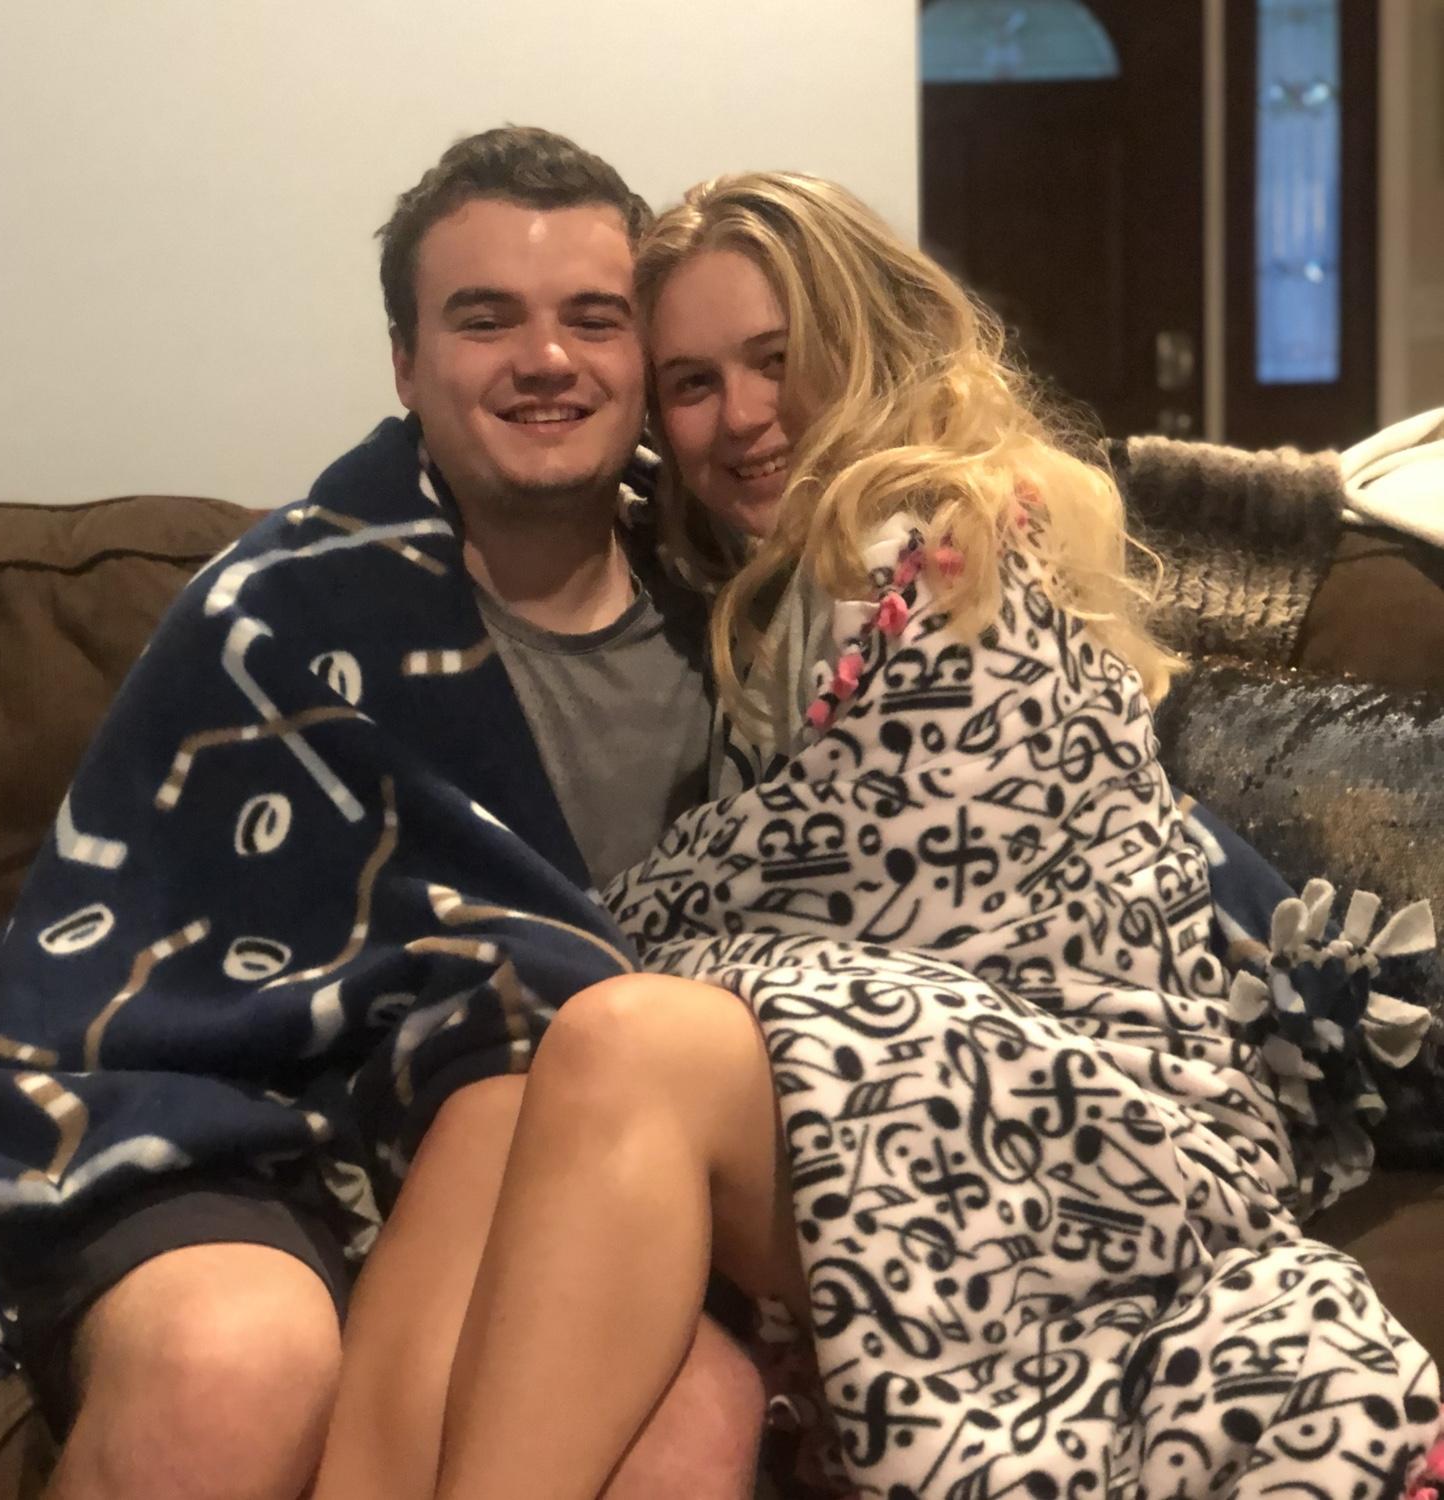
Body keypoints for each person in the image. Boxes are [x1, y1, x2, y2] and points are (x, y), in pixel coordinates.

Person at [389, 172, 1441, 1499]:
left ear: (866, 341)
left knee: (617, 1034)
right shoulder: (752, 600)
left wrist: (616, 926)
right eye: (694, 383)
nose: (743, 414)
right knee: (495, 1100)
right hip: (936, 1075)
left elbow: (900, 862)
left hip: (1105, 1103)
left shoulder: (950, 528)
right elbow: (816, 883)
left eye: (779, 359)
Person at [0, 128, 766, 1500]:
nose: (546, 358)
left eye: (593, 318)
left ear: (644, 356)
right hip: (236, 1121)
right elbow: (122, 951)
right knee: (233, 1368)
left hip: (559, 1159)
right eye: (485, 318)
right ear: (405, 362)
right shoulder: (276, 614)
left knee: (685, 1427)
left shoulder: (746, 619)